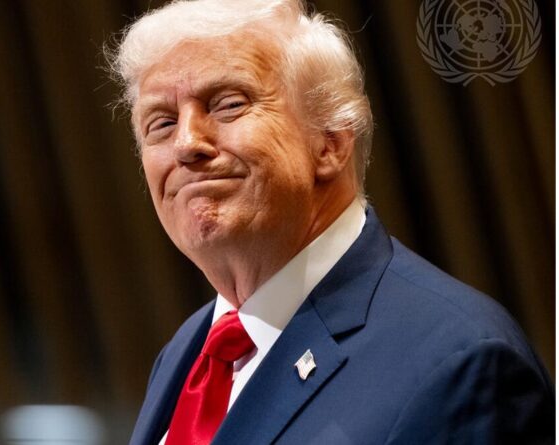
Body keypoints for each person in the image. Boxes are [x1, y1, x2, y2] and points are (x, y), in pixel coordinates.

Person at [108, 0, 554, 443]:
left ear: (330, 142)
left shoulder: (460, 362)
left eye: (228, 104)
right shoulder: (186, 353)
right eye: (161, 124)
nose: (187, 143)